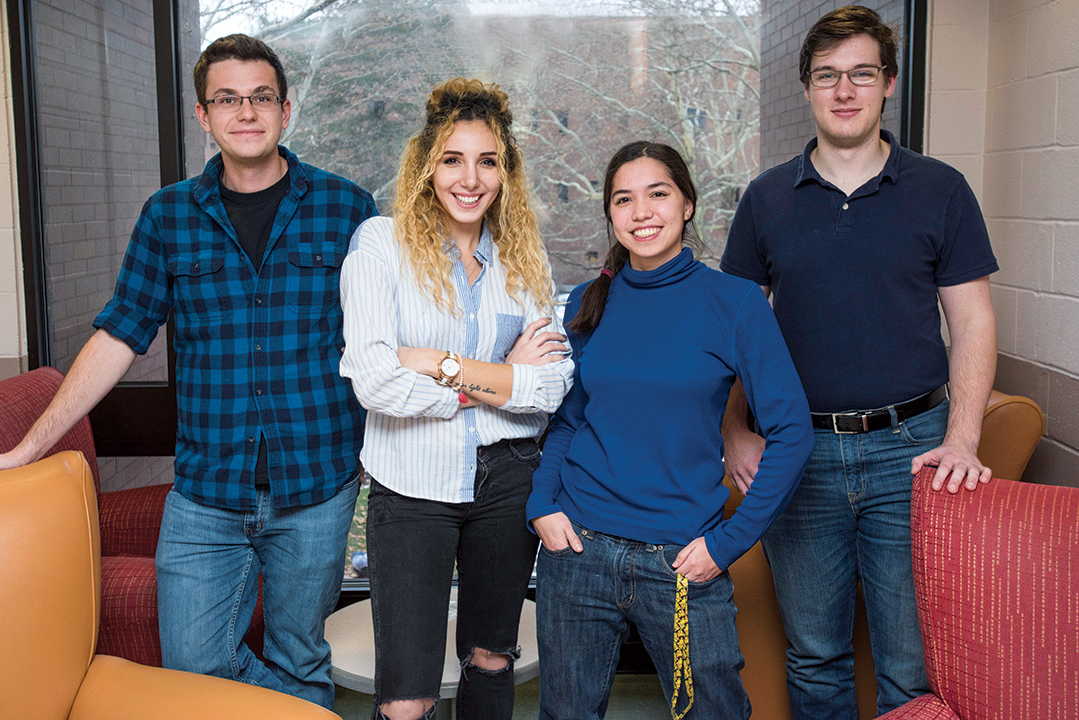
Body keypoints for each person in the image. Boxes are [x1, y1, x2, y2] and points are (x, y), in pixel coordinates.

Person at [0, 34, 376, 708]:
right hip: (206, 492)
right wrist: (31, 445)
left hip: (318, 486)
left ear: (285, 108)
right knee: (194, 668)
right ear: (204, 116)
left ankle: (298, 702)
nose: (247, 111)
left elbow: (386, 336)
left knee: (299, 653)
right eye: (227, 99)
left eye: (261, 96)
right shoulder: (168, 215)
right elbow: (120, 335)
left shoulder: (348, 209)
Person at [720, 6, 998, 718]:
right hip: (799, 453)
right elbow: (737, 332)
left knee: (910, 664)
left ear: (888, 85)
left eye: (861, 75)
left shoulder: (942, 189)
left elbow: (971, 322)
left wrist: (962, 439)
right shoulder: (765, 200)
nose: (844, 91)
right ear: (809, 90)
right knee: (815, 656)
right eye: (827, 77)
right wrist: (734, 432)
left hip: (914, 452)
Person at [526, 141, 814, 720]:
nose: (642, 212)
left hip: (681, 560)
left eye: (658, 194)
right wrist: (541, 505)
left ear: (687, 204)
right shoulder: (588, 301)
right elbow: (572, 419)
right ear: (610, 215)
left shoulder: (734, 302)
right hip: (578, 549)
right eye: (624, 200)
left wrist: (727, 544)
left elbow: (793, 433)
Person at [338, 78, 573, 720]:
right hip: (411, 485)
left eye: (487, 161)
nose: (470, 179)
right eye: (452, 158)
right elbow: (374, 381)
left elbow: (550, 386)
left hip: (508, 482)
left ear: (506, 171)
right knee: (408, 696)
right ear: (425, 167)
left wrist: (438, 365)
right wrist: (495, 379)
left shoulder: (524, 259)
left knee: (491, 659)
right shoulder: (380, 247)